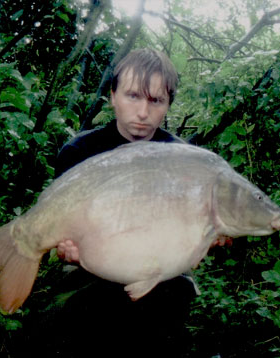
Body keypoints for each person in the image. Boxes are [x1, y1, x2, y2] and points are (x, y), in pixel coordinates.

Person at [18, 48, 228, 358]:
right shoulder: (80, 150)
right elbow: (65, 228)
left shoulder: (182, 157)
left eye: (155, 100)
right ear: (112, 96)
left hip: (159, 268)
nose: (143, 112)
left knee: (167, 302)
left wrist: (208, 236)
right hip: (92, 269)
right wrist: (69, 249)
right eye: (132, 96)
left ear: (168, 104)